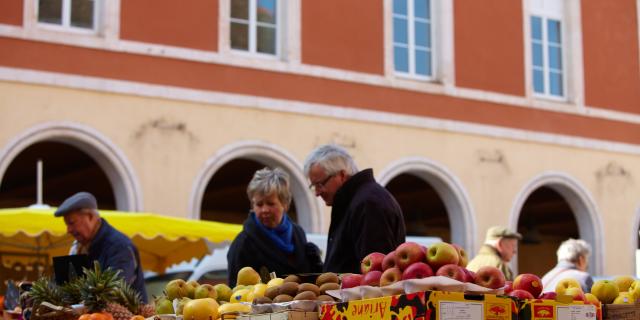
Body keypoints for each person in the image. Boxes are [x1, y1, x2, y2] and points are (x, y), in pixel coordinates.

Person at [303, 144, 406, 273]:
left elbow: (374, 272)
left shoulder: (367, 204)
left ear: (341, 175)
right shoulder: (360, 201)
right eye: (314, 186)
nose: (317, 193)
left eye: (320, 184)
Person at [227, 167, 323, 286]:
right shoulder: (243, 244)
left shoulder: (298, 233)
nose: (264, 210)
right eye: (259, 204)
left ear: (285, 204)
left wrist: (315, 263)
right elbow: (236, 292)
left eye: (270, 203)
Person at [54, 192, 147, 302]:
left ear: (90, 217)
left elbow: (113, 292)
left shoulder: (119, 246)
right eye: (67, 224)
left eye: (72, 223)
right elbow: (64, 289)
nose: (68, 230)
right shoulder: (77, 246)